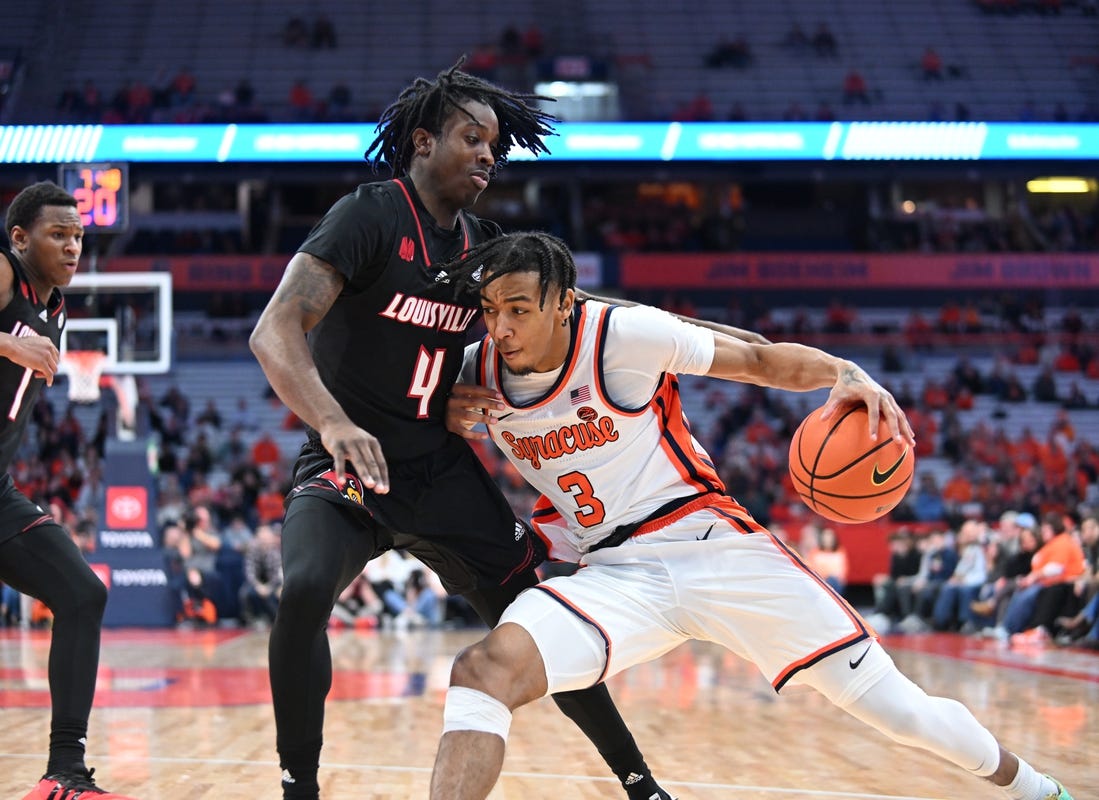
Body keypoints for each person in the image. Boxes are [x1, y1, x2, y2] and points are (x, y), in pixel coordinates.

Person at [249, 59, 768, 800]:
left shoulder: (485, 249)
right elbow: (275, 331)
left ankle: (639, 783)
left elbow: (600, 315)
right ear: (422, 143)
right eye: (471, 137)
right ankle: (299, 785)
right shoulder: (370, 215)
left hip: (437, 471)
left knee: (536, 615)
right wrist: (332, 422)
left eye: (496, 145)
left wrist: (756, 354)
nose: (489, 155)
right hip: (350, 469)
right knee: (302, 587)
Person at [429, 231, 1074, 800]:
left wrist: (842, 372)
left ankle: (1036, 787)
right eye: (490, 311)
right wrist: (446, 414)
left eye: (518, 310)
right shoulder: (473, 372)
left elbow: (757, 357)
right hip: (614, 573)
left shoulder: (621, 338)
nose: (501, 327)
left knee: (899, 713)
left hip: (713, 546)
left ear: (564, 303)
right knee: (484, 670)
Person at [0, 182, 138, 798]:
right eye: (59, 234)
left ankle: (67, 774)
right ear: (20, 239)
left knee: (81, 594)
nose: (74, 245)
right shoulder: (4, 274)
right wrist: (9, 342)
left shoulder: (56, 307)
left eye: (79, 235)